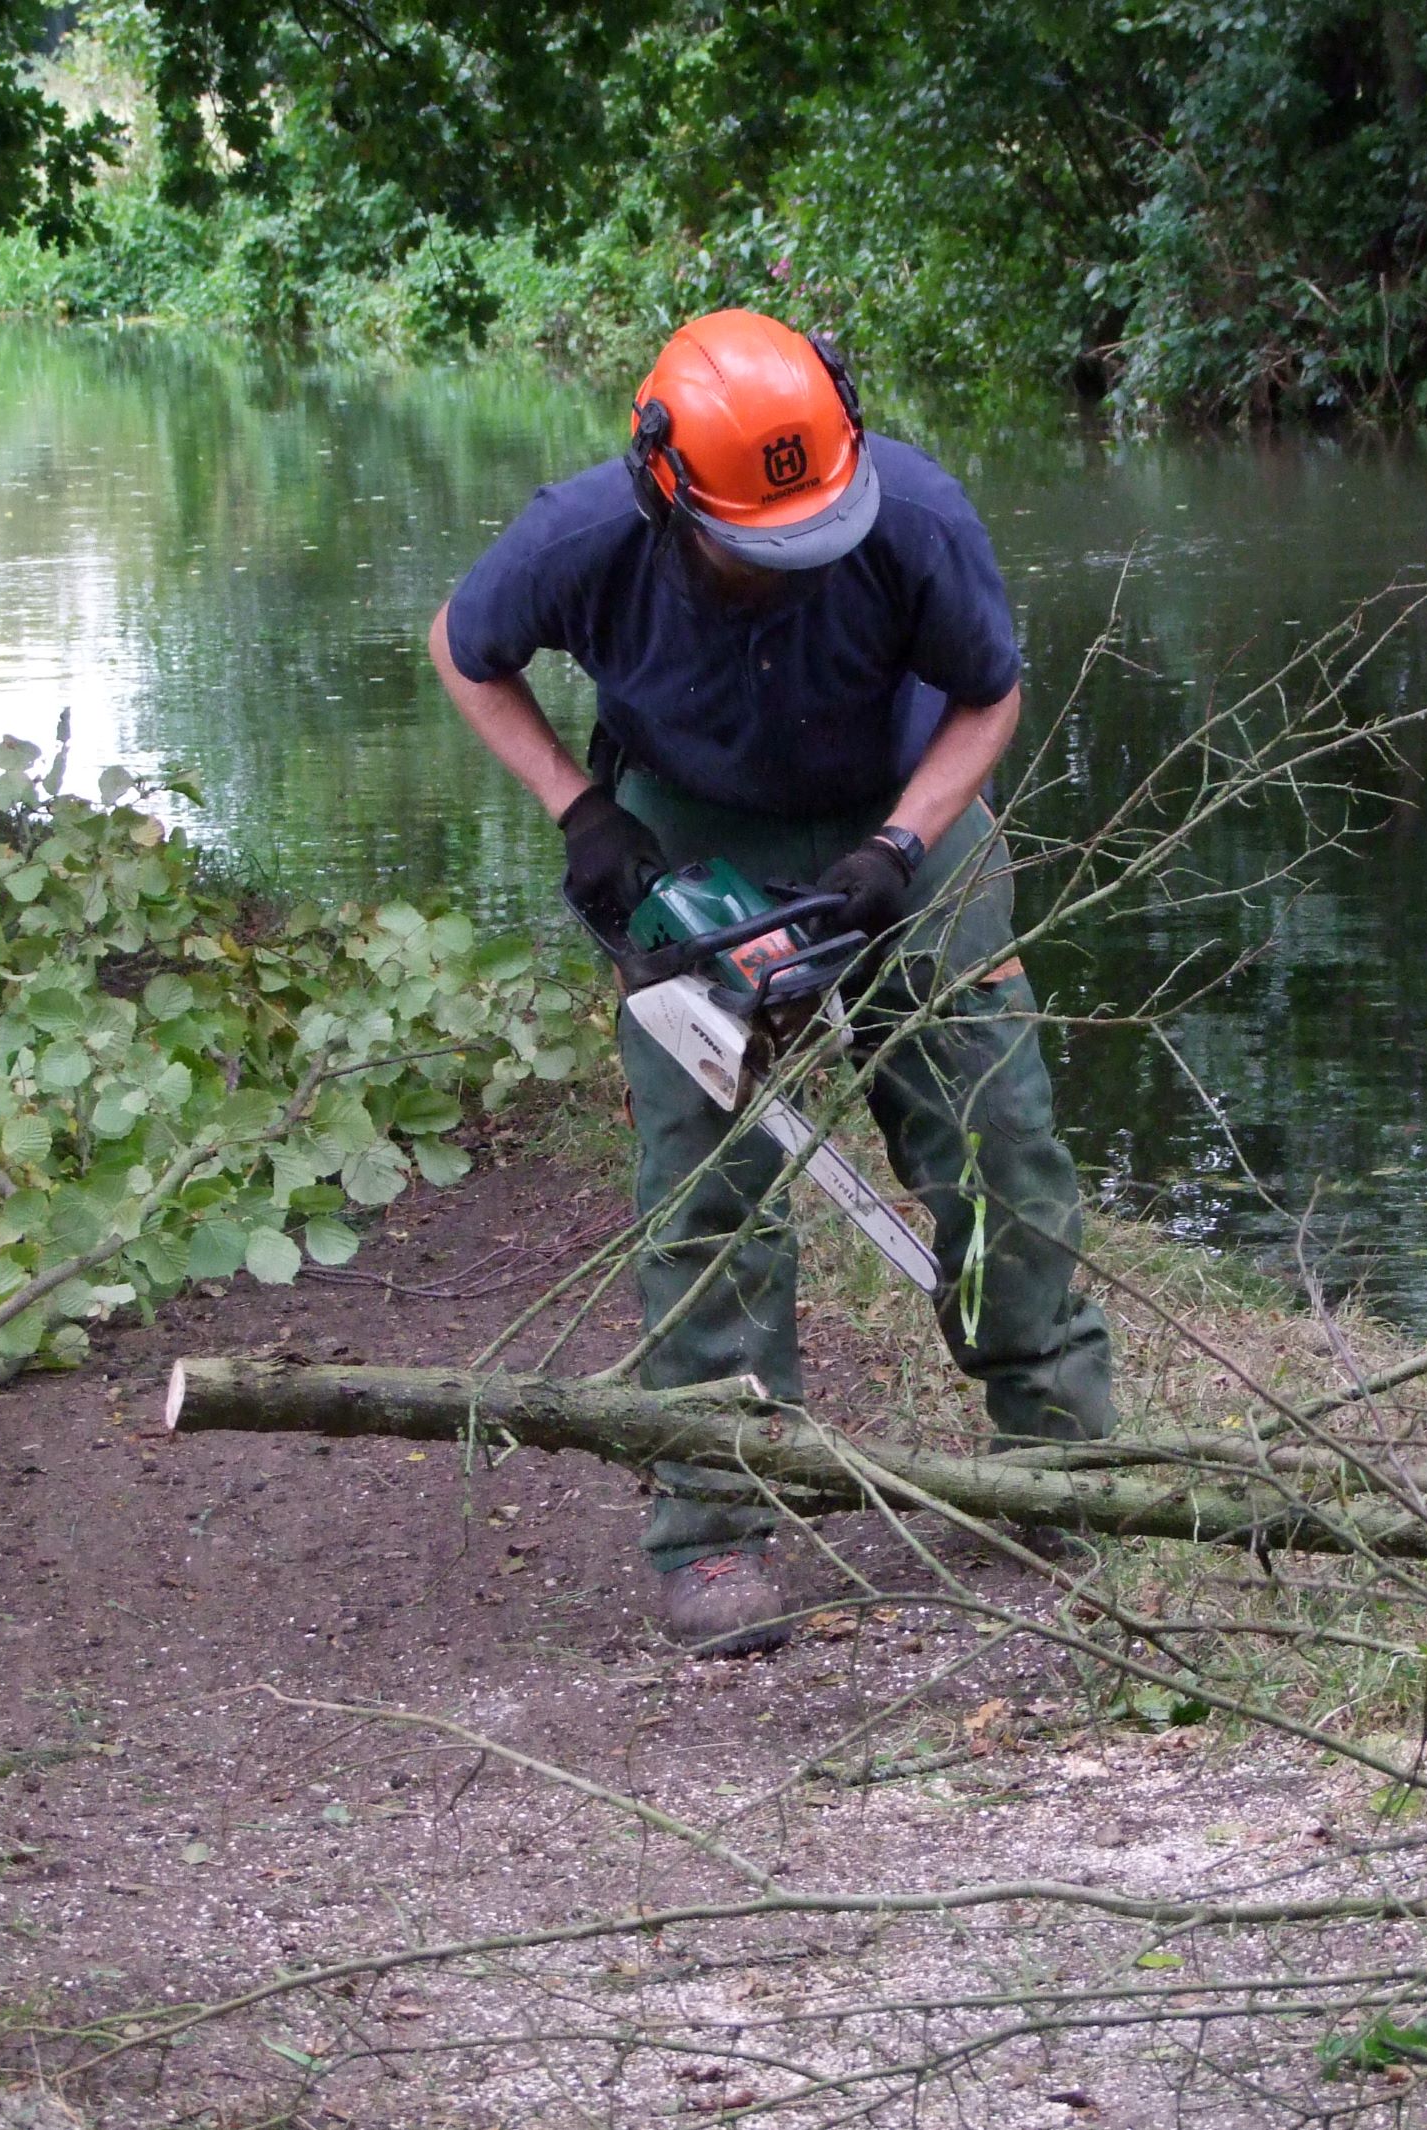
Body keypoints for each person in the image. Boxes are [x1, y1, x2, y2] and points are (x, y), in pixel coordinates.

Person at [427, 308, 1114, 1654]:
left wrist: (903, 846)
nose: (796, 565)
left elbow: (990, 696)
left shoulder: (909, 513)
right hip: (690, 823)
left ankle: (1068, 1473)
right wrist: (580, 812)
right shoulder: (581, 540)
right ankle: (716, 1520)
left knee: (999, 1140)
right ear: (663, 490)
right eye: (759, 551)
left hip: (906, 815)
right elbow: (467, 645)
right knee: (706, 1188)